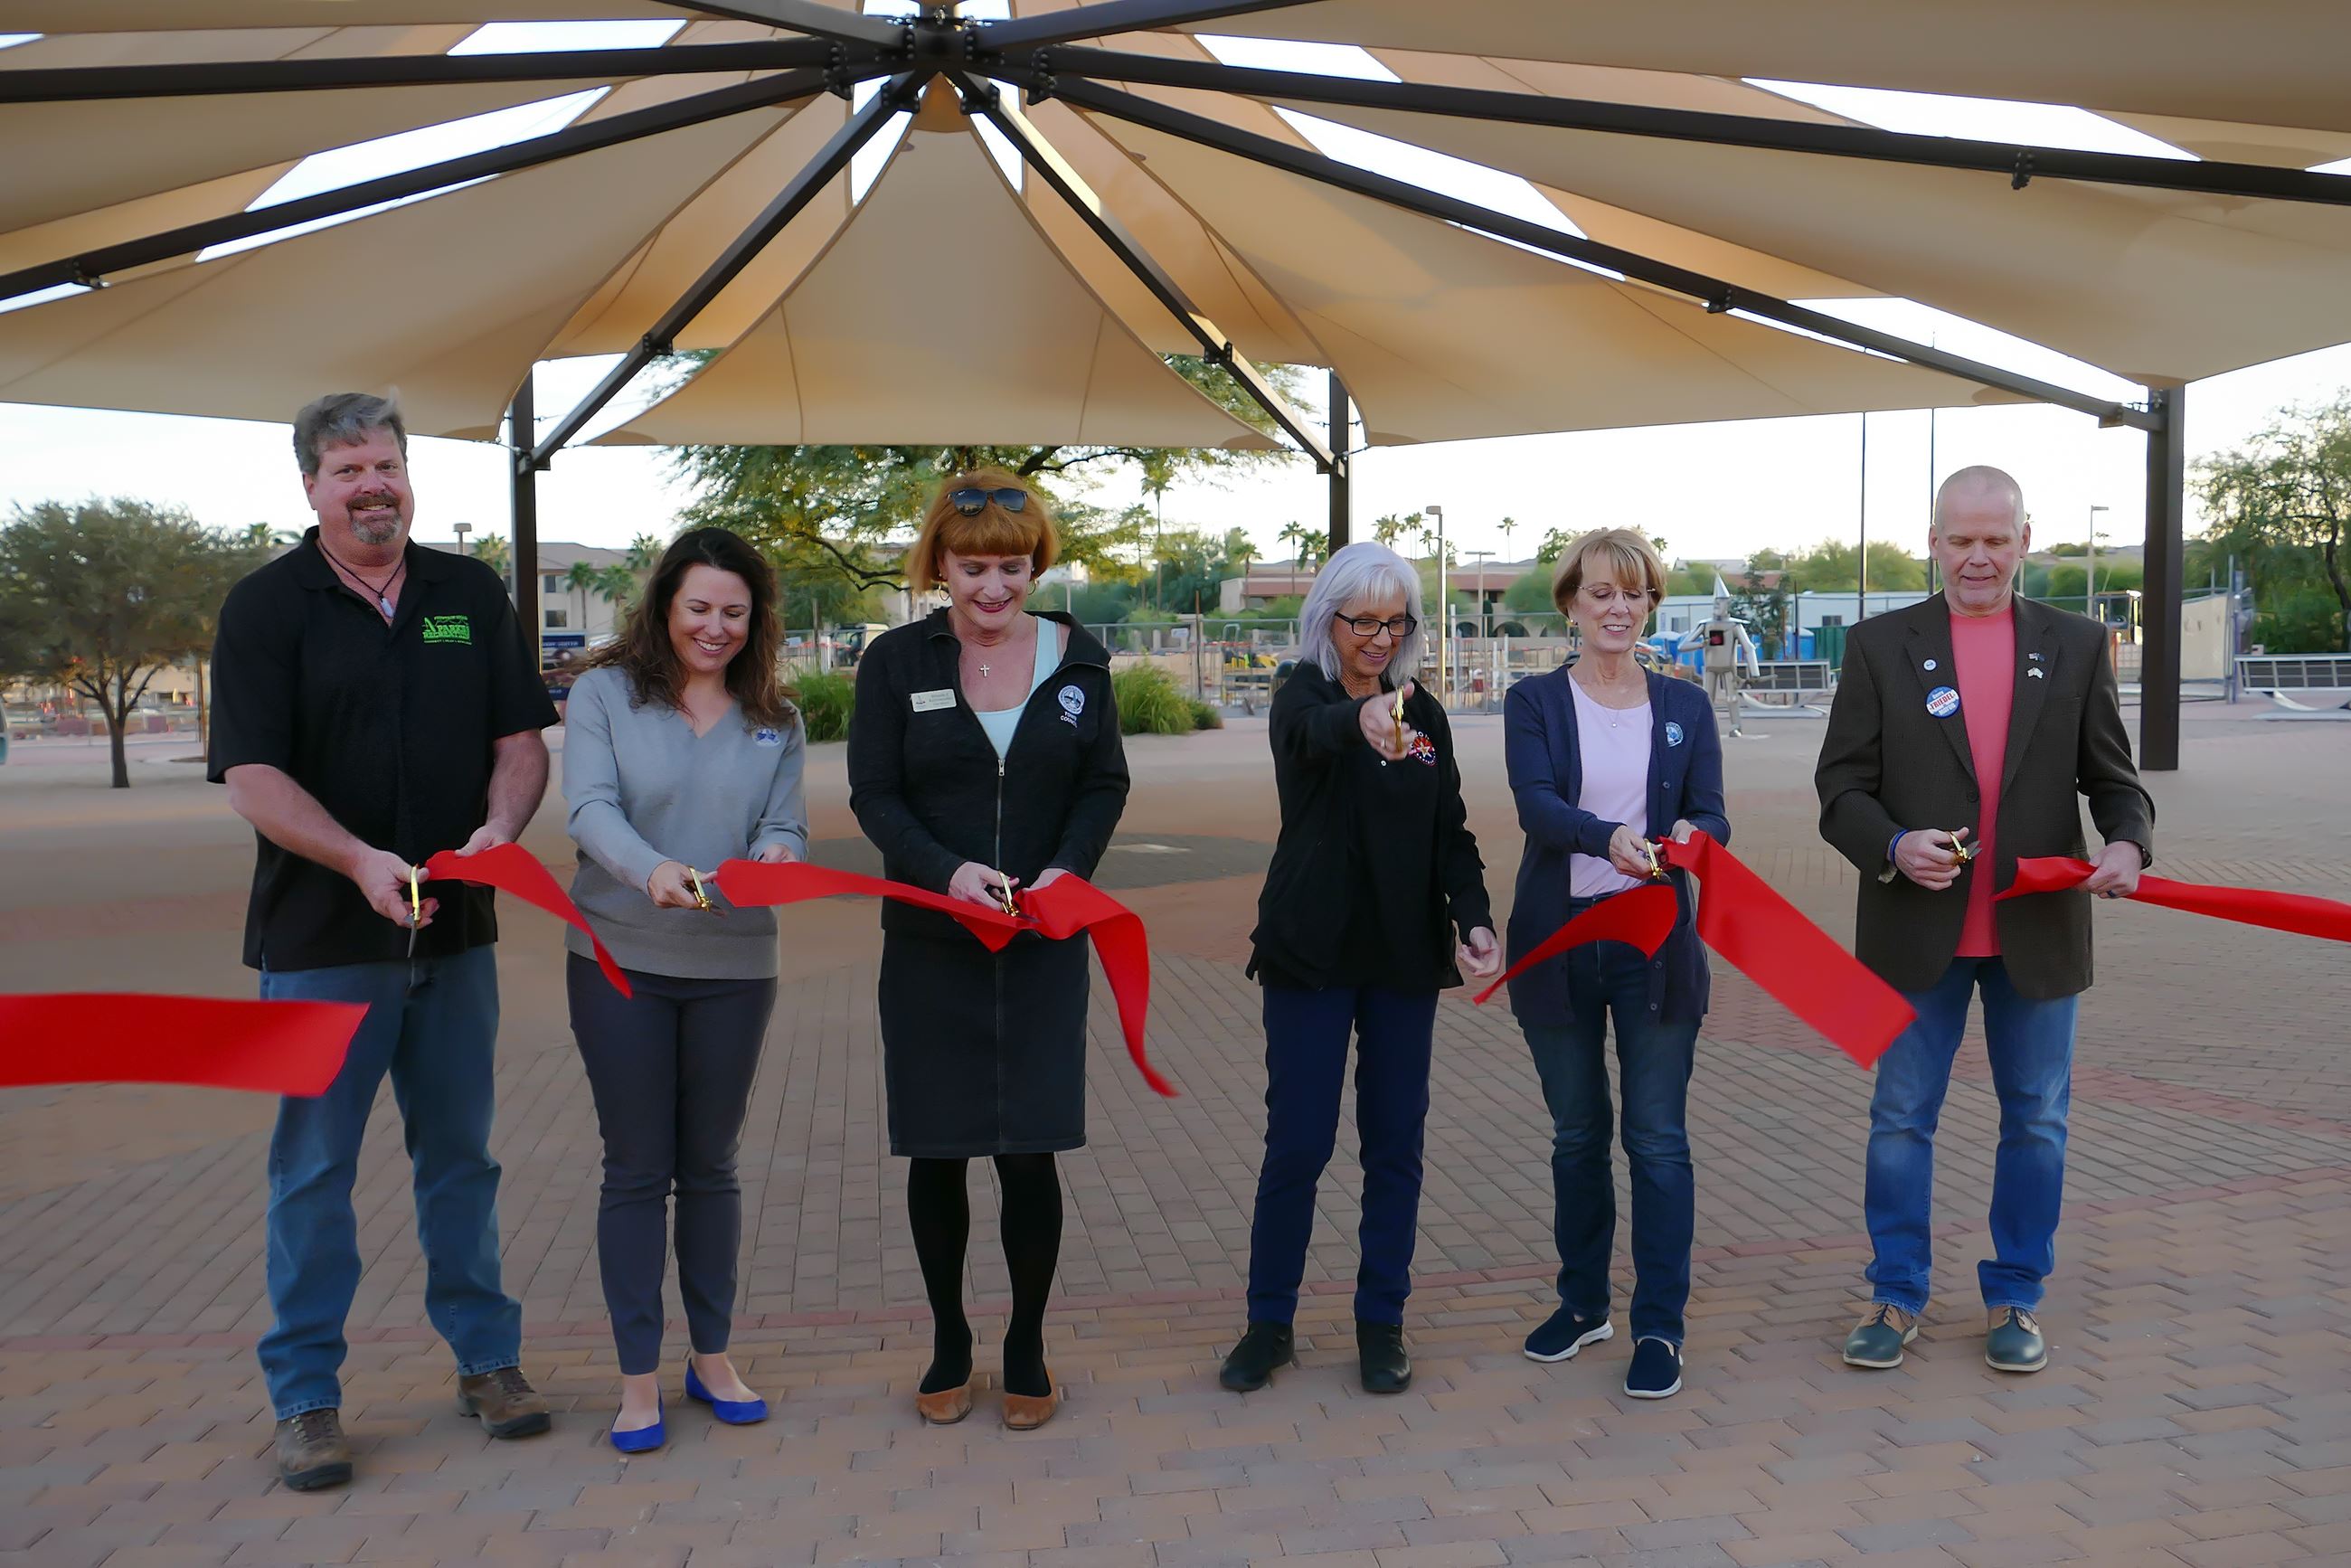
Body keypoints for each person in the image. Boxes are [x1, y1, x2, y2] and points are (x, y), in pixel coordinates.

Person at [208, 392, 558, 1491]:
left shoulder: (466, 592)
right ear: (310, 486)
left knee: (462, 1157)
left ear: (410, 475)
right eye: (349, 469)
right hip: (321, 944)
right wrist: (358, 859)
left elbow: (518, 739)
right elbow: (253, 776)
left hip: (455, 940)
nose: (373, 487)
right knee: (312, 1170)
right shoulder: (269, 607)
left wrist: (501, 830)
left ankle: (487, 1361)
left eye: (388, 466)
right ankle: (306, 1397)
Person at [1817, 465, 2153, 1374]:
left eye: (1992, 539)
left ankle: (2014, 1296)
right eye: (1958, 539)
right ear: (1931, 542)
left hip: (2034, 933)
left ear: (2022, 541)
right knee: (1897, 1121)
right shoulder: (1877, 645)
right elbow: (1837, 790)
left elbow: (2112, 781)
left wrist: (2126, 843)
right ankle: (1893, 1295)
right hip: (1910, 934)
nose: (1976, 557)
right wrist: (1890, 845)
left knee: (2036, 1122)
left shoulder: (2077, 645)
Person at [845, 469, 1129, 1431]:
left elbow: (1102, 787)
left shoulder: (1080, 662)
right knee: (939, 1149)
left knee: (1028, 1150)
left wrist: (1064, 869)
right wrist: (945, 871)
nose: (993, 589)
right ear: (941, 566)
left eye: (1010, 567)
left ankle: (1025, 1345)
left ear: (1033, 562)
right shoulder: (893, 662)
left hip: (1043, 940)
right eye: (973, 569)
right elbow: (874, 797)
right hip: (933, 943)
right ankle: (949, 1340)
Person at [1221, 542, 1501, 1397]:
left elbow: (1449, 827)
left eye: (1396, 621)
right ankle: (1269, 1322)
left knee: (1394, 1146)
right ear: (1328, 620)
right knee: (1298, 1144)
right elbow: (1309, 735)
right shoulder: (1298, 693)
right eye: (1363, 621)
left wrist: (1476, 915)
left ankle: (1382, 1321)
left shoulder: (1427, 712)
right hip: (1310, 952)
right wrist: (1362, 721)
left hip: (1401, 956)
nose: (1380, 638)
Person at [561, 528, 807, 1452]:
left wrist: (780, 849)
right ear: (665, 604)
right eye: (699, 608)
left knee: (710, 1166)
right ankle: (636, 1380)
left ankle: (711, 1358)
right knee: (636, 1168)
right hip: (621, 958)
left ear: (756, 620)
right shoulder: (603, 694)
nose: (715, 628)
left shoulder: (774, 714)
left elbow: (786, 819)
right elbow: (587, 809)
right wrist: (649, 868)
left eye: (733, 613)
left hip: (735, 966)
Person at [1503, 528, 1727, 1401]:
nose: (1618, 609)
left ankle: (1659, 1327)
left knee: (1658, 1140)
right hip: (1557, 946)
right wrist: (1608, 839)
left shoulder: (1685, 704)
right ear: (1571, 603)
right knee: (1576, 1135)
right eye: (1601, 593)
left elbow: (1711, 812)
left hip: (1656, 946)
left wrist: (1688, 842)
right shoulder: (1533, 701)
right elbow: (1536, 806)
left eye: (1633, 595)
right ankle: (1584, 1302)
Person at [1695, 597, 1761, 738]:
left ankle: (1735, 726)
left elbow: (1748, 647)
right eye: (1716, 601)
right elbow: (1683, 645)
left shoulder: (1734, 625)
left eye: (1721, 601)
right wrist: (1701, 644)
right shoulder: (1706, 625)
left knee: (1732, 698)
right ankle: (1707, 729)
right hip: (1710, 667)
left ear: (1727, 604)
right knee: (1707, 698)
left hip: (1729, 667)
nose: (1718, 605)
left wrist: (1755, 672)